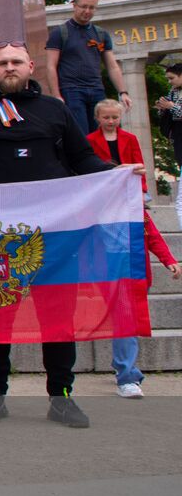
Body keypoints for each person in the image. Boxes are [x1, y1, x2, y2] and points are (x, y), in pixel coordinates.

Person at [0, 41, 141, 429]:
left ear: (31, 65)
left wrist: (116, 172)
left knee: (58, 315)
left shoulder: (56, 110)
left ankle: (61, 396)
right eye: (2, 62)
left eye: (16, 61)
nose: (10, 68)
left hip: (54, 235)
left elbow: (81, 158)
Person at [85, 99, 177, 399]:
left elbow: (150, 232)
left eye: (116, 117)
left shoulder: (133, 205)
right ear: (98, 118)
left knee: (125, 317)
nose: (111, 121)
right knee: (121, 316)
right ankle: (126, 372)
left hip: (132, 266)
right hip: (107, 264)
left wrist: (170, 260)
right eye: (106, 117)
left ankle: (127, 372)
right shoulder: (90, 146)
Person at [44, 0, 132, 134]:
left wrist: (123, 92)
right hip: (71, 90)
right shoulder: (59, 32)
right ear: (74, 5)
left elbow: (112, 66)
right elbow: (50, 66)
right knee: (81, 134)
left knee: (102, 134)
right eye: (83, 6)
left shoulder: (101, 34)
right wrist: (56, 95)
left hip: (96, 89)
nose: (87, 11)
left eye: (92, 8)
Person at [155, 63, 182, 220]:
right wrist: (163, 108)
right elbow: (168, 118)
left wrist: (171, 107)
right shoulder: (173, 92)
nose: (169, 82)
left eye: (172, 78)